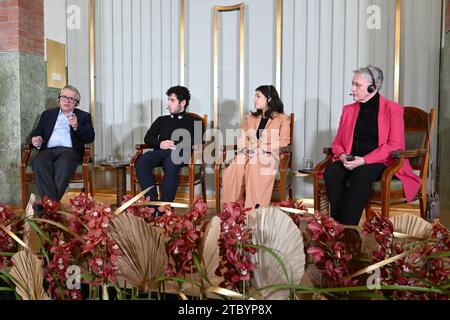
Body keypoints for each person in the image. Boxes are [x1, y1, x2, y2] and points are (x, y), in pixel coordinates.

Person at [324, 65, 421, 226]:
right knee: (332, 172)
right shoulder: (348, 110)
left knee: (361, 173)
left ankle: (348, 231)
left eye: (357, 85)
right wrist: (342, 155)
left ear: (373, 87)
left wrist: (363, 160)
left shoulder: (393, 109)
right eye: (352, 84)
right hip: (351, 159)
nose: (352, 89)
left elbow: (394, 146)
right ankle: (337, 227)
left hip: (382, 161)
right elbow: (338, 142)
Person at [221, 85, 291, 209]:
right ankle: (231, 211)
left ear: (269, 98)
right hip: (249, 152)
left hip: (268, 155)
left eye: (258, 96)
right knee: (234, 167)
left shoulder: (283, 119)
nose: (254, 99)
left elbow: (284, 142)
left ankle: (252, 213)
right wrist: (250, 148)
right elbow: (242, 138)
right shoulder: (250, 118)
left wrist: (262, 148)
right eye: (255, 96)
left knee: (254, 165)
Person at [31, 85, 95, 202]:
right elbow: (38, 132)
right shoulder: (47, 115)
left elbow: (90, 137)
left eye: (71, 99)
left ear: (76, 103)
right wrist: (37, 139)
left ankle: (47, 206)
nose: (67, 100)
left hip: (69, 151)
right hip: (48, 151)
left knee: (64, 164)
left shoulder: (83, 116)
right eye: (64, 97)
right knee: (38, 161)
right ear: (59, 99)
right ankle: (52, 206)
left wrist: (76, 126)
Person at [135, 85, 199, 203]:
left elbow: (198, 140)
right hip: (160, 151)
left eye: (172, 100)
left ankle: (165, 206)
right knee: (141, 162)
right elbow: (148, 138)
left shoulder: (195, 121)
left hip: (179, 154)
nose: (169, 103)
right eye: (168, 100)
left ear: (183, 102)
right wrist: (161, 143)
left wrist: (178, 145)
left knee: (171, 161)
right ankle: (153, 204)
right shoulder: (161, 120)